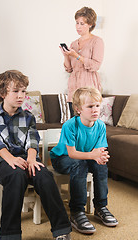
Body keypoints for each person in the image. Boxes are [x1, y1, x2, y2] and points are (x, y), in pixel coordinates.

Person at [0, 70, 72, 240]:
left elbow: (33, 139)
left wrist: (31, 159)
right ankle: (10, 235)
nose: (21, 95)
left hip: (28, 158)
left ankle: (62, 230)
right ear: (2, 93)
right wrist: (11, 159)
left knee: (45, 177)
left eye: (23, 91)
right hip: (4, 161)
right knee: (17, 176)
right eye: (15, 91)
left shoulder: (29, 117)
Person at [50, 87, 118, 234]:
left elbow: (99, 151)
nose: (95, 110)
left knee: (102, 166)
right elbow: (72, 153)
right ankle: (76, 212)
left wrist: (101, 157)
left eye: (97, 106)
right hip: (62, 158)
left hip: (86, 157)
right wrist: (94, 155)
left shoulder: (100, 126)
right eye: (90, 106)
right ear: (78, 109)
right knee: (79, 165)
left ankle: (100, 207)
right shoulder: (70, 125)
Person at [60, 7, 104, 117]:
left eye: (82, 24)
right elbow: (69, 69)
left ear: (90, 24)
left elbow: (95, 65)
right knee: (74, 122)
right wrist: (66, 56)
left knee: (87, 123)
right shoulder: (73, 44)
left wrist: (77, 56)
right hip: (73, 89)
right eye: (77, 23)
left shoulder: (97, 41)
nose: (78, 27)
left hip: (89, 88)